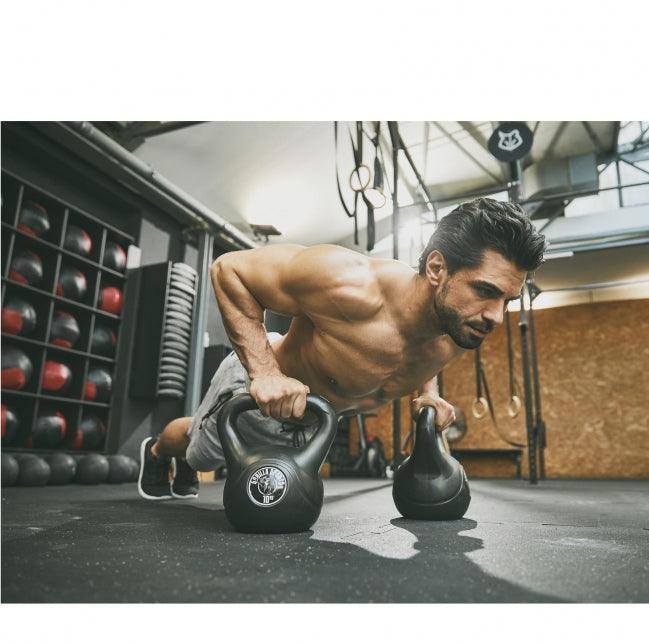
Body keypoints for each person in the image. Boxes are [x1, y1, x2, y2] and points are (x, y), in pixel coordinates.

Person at [137, 197, 546, 500]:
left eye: (507, 300)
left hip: (313, 422)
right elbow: (229, 270)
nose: (496, 316)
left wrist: (429, 394)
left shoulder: (460, 322)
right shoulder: (350, 284)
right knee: (198, 453)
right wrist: (265, 373)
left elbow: (424, 352)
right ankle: (157, 452)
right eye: (485, 291)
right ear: (437, 268)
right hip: (256, 395)